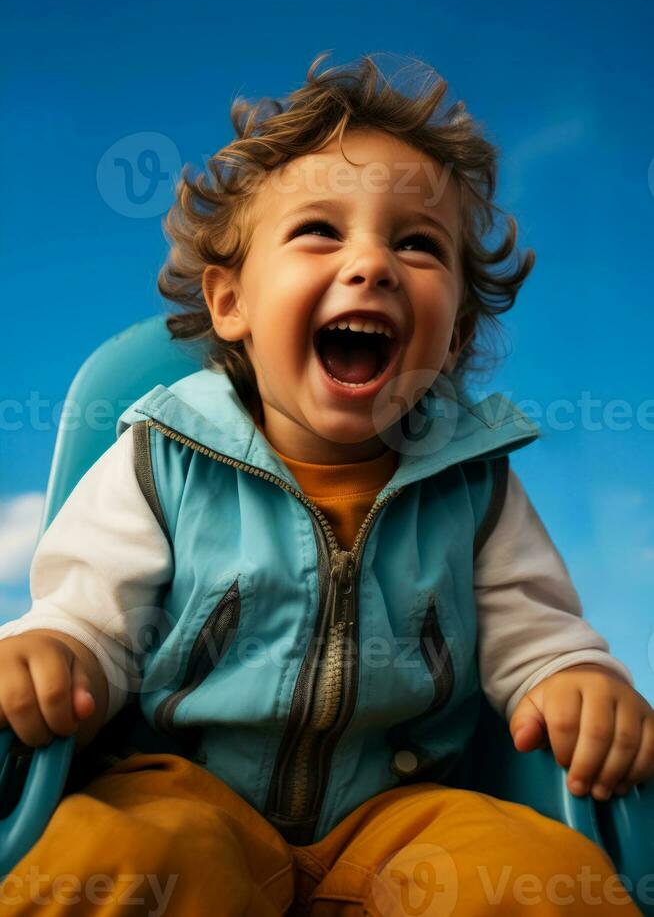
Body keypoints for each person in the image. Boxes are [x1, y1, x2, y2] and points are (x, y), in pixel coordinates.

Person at [0, 51, 651, 916]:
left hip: (405, 809)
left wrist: (575, 679)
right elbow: (89, 616)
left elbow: (535, 634)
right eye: (319, 231)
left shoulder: (473, 489)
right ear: (230, 304)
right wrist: (59, 653)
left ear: (452, 339)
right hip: (183, 791)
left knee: (533, 879)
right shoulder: (163, 457)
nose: (372, 264)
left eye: (417, 244)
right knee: (112, 856)